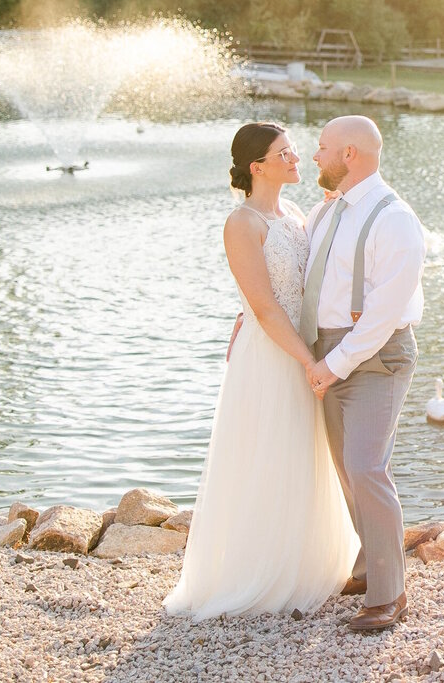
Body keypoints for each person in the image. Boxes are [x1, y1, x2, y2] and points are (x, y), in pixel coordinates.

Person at [163, 122, 358, 619]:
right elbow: (267, 308)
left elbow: (300, 284)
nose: (297, 159)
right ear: (258, 167)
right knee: (268, 454)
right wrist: (311, 361)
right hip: (273, 354)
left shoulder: (293, 213)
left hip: (302, 345)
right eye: (285, 153)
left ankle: (307, 564)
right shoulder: (241, 223)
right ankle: (259, 575)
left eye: (294, 151)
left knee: (302, 453)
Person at [303, 115, 425, 632]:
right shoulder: (327, 211)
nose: (314, 156)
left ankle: (390, 594)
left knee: (366, 468)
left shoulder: (395, 219)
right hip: (330, 352)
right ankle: (367, 568)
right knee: (346, 469)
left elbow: (382, 314)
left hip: (376, 357)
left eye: (323, 147)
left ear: (349, 154)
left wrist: (332, 366)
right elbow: (302, 276)